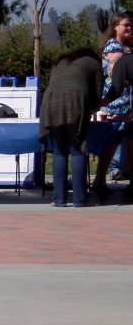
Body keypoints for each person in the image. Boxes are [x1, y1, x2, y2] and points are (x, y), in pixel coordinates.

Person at [40, 48, 103, 207]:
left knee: (59, 151)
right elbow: (97, 91)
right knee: (77, 150)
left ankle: (59, 200)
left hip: (51, 101)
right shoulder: (93, 62)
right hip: (75, 99)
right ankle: (80, 200)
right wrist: (93, 109)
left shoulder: (60, 62)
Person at [92, 12, 132, 202]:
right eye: (126, 25)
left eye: (132, 26)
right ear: (115, 26)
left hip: (127, 103)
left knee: (128, 142)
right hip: (114, 101)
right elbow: (118, 62)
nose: (130, 29)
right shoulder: (113, 46)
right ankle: (99, 180)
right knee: (111, 142)